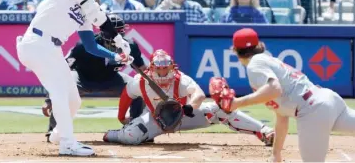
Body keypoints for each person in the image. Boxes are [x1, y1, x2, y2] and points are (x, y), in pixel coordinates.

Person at [16, 0, 132, 156]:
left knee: (74, 100)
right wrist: (119, 39)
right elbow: (99, 18)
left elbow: (90, 46)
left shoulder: (86, 9)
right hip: (37, 43)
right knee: (59, 92)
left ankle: (58, 134)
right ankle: (67, 143)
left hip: (51, 48)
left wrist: (115, 55)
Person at [216, 28, 355, 162]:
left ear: (236, 51)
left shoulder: (255, 64)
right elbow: (281, 117)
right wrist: (276, 153)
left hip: (313, 110)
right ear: (258, 45)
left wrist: (237, 103)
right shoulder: (267, 60)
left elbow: (274, 89)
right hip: (328, 99)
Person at [102, 49, 275, 146]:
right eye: (159, 69)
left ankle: (265, 132)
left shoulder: (181, 79)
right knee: (131, 136)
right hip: (155, 119)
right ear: (152, 68)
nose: (163, 72)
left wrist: (190, 107)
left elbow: (198, 94)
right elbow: (126, 95)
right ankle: (113, 134)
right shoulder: (140, 81)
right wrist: (120, 117)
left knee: (221, 110)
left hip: (183, 116)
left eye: (166, 68)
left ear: (171, 67)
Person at [42, 14, 147, 141]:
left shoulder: (130, 46)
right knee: (65, 87)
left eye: (119, 32)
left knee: (137, 88)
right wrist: (49, 99)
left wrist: (151, 90)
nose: (115, 37)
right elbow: (61, 70)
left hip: (112, 79)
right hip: (82, 79)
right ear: (102, 32)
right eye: (112, 33)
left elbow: (142, 69)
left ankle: (136, 129)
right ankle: (53, 130)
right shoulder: (84, 45)